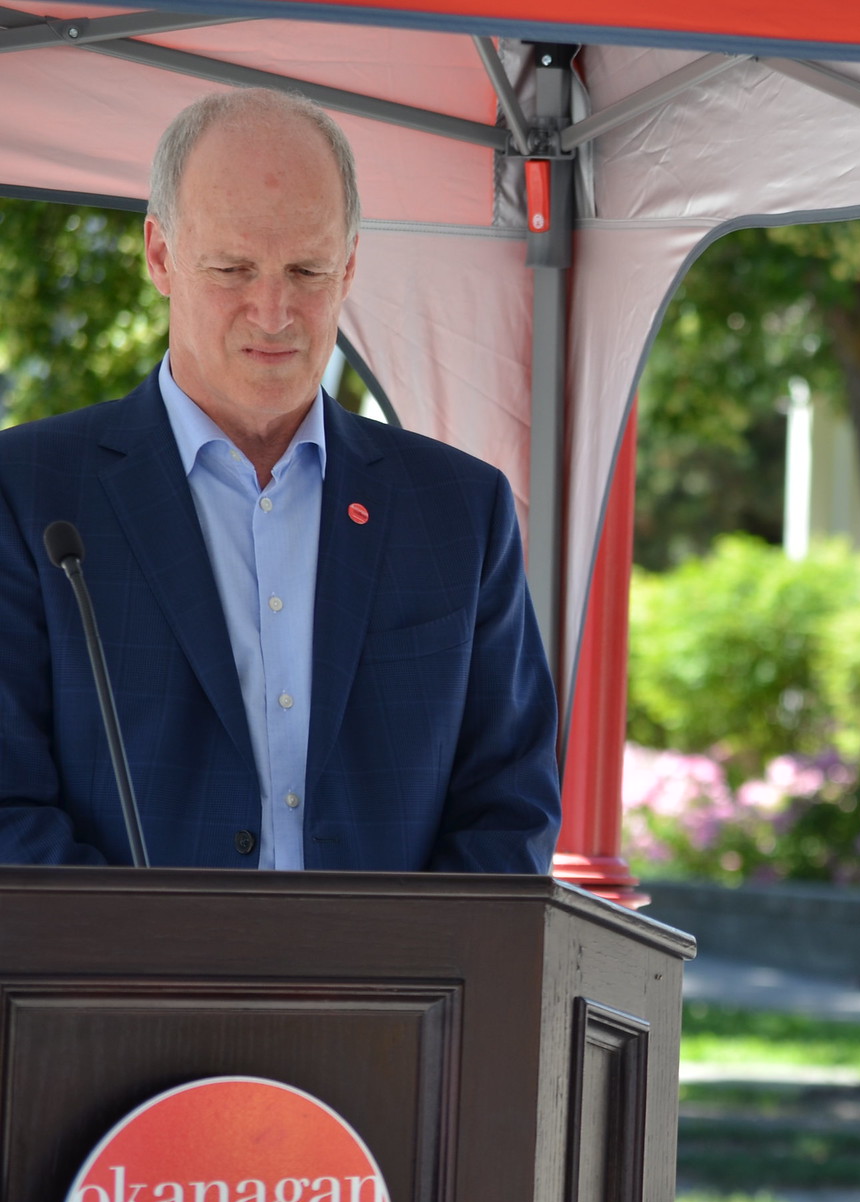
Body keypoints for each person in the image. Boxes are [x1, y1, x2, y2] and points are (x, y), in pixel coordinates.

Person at [0, 88, 559, 872]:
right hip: (117, 988)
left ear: (352, 264)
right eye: (232, 268)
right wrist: (156, 970)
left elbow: (509, 812)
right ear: (160, 256)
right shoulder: (28, 494)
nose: (273, 311)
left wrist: (404, 983)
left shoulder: (461, 513)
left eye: (307, 268)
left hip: (400, 990)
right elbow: (7, 810)